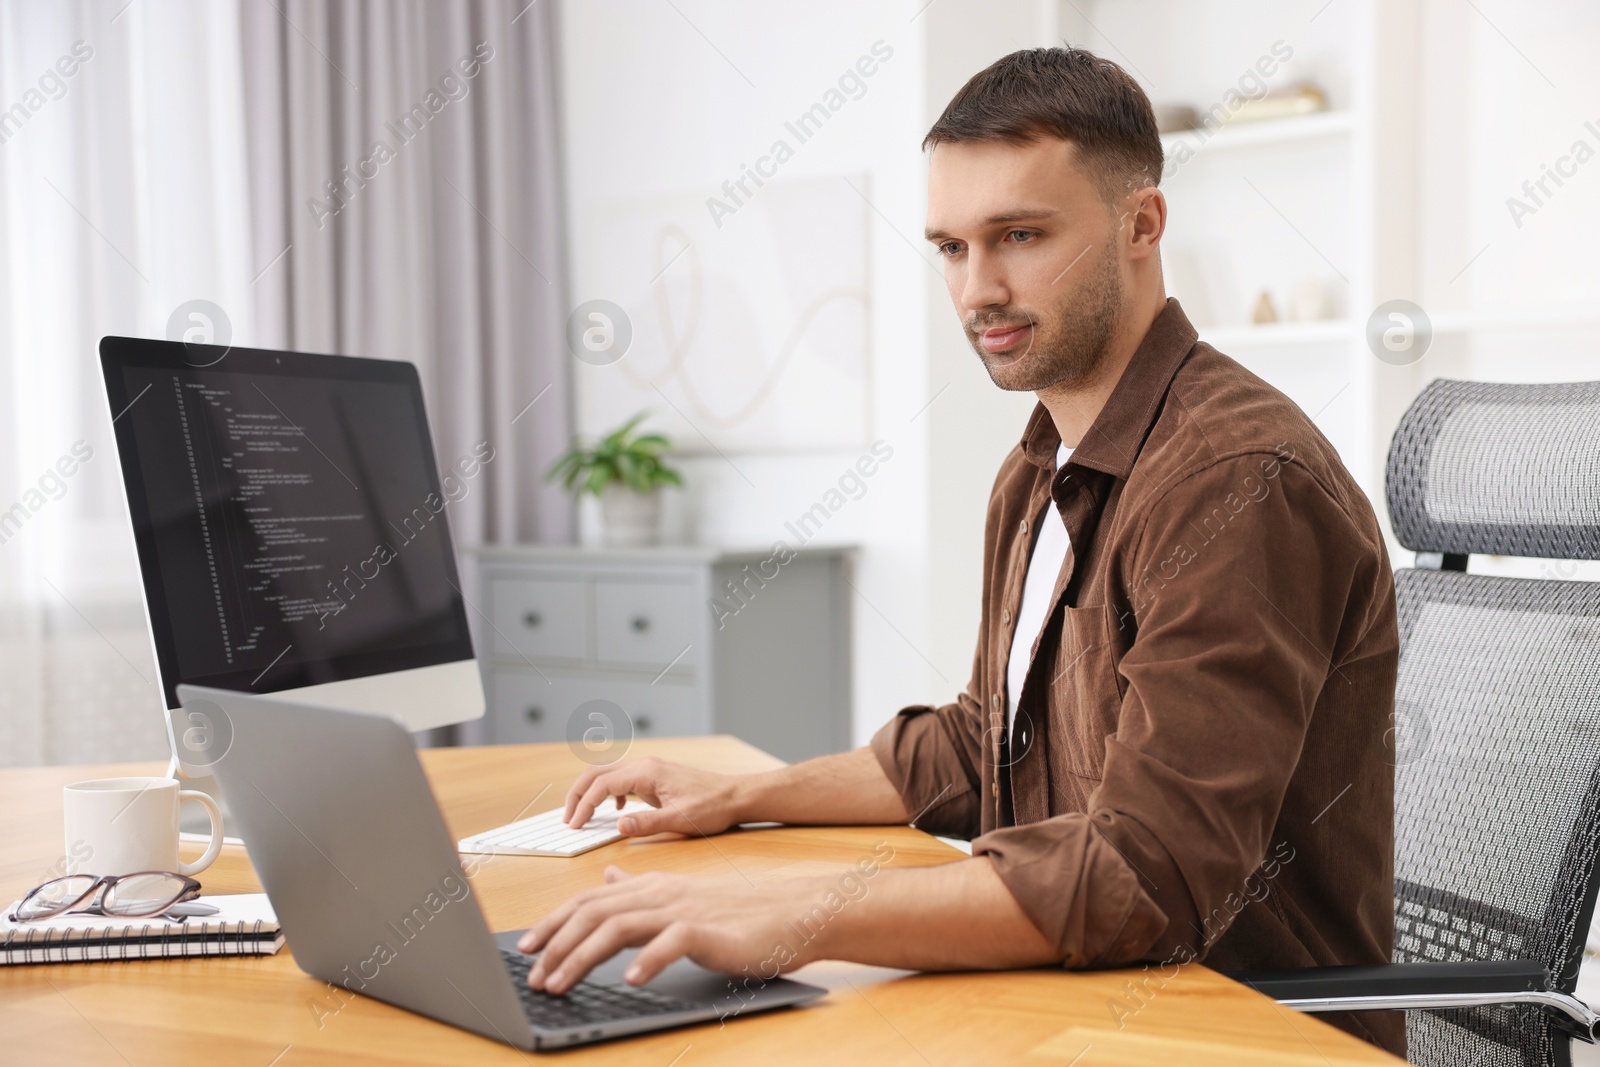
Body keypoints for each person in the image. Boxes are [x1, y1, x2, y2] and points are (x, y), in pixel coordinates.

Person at [517, 46, 1401, 1056]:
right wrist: (737, 799)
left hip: (1235, 1028)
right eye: (949, 246)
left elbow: (1143, 877)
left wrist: (798, 909)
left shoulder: (1234, 480)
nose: (978, 288)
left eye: (1019, 235)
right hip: (1087, 997)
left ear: (1140, 225)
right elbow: (984, 739)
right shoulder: (1040, 465)